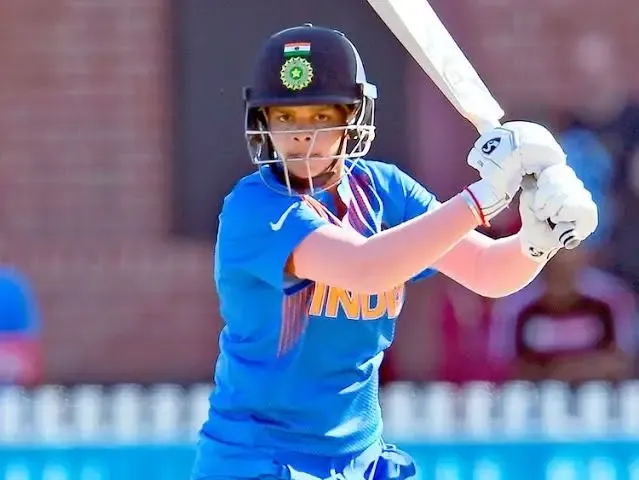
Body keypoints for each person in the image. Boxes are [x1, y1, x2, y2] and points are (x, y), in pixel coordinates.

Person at [191, 24, 598, 480]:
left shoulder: (385, 191)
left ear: (353, 116)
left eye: (321, 115)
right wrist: (483, 198)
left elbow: (487, 270)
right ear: (263, 122)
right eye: (286, 117)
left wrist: (539, 238)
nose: (302, 134)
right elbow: (364, 268)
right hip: (259, 459)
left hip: (360, 460)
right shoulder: (254, 208)